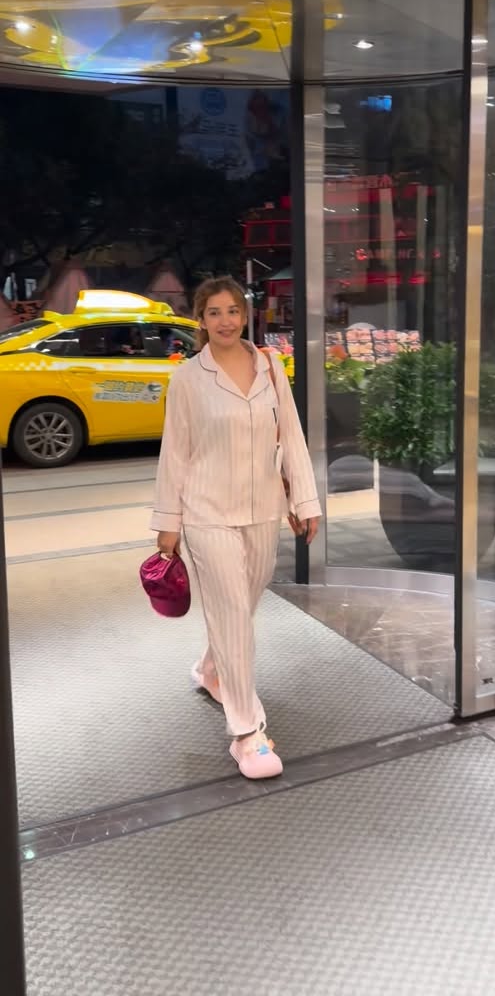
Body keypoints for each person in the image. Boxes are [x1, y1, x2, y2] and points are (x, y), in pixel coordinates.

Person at [150, 276, 321, 780]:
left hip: (263, 509)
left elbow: (290, 435)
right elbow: (174, 453)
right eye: (214, 312)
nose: (224, 320)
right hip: (206, 512)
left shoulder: (270, 365)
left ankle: (211, 669)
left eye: (232, 311)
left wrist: (303, 499)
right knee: (231, 615)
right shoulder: (188, 378)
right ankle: (248, 733)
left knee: (241, 607)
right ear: (201, 320)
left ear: (244, 316)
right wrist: (168, 523)